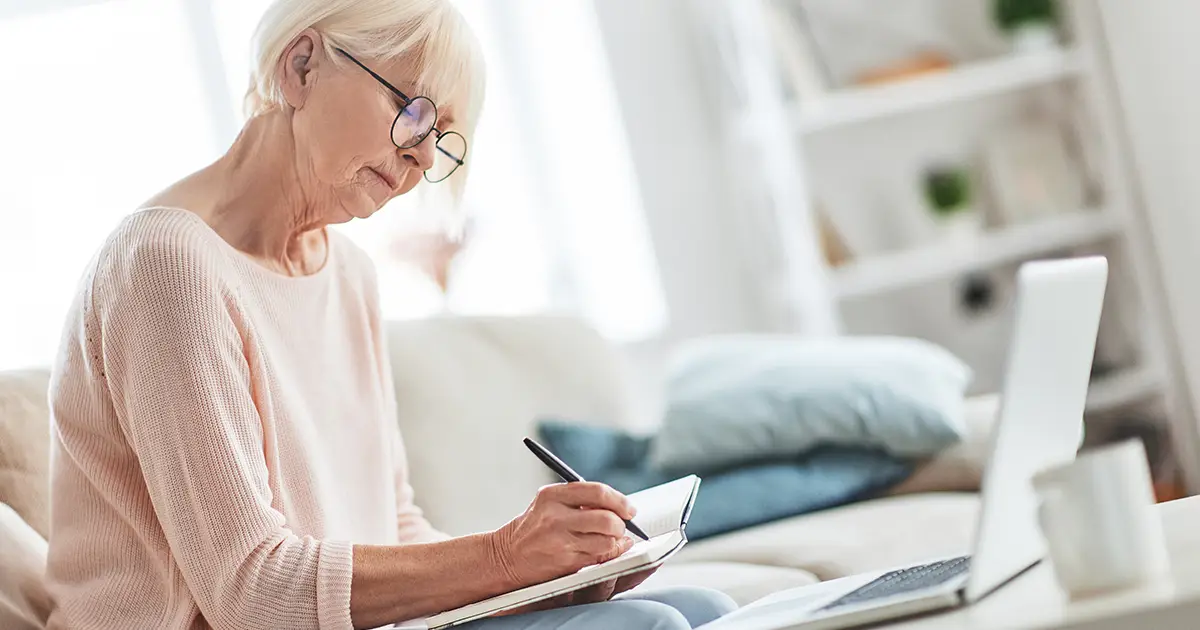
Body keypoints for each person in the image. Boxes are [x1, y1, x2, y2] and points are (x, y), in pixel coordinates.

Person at [43, 1, 736, 629]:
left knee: (704, 608)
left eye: (442, 139)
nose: (424, 155)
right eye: (413, 111)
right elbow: (251, 592)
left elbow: (394, 529)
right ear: (301, 66)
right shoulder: (166, 264)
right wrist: (504, 557)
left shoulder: (349, 273)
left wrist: (558, 577)